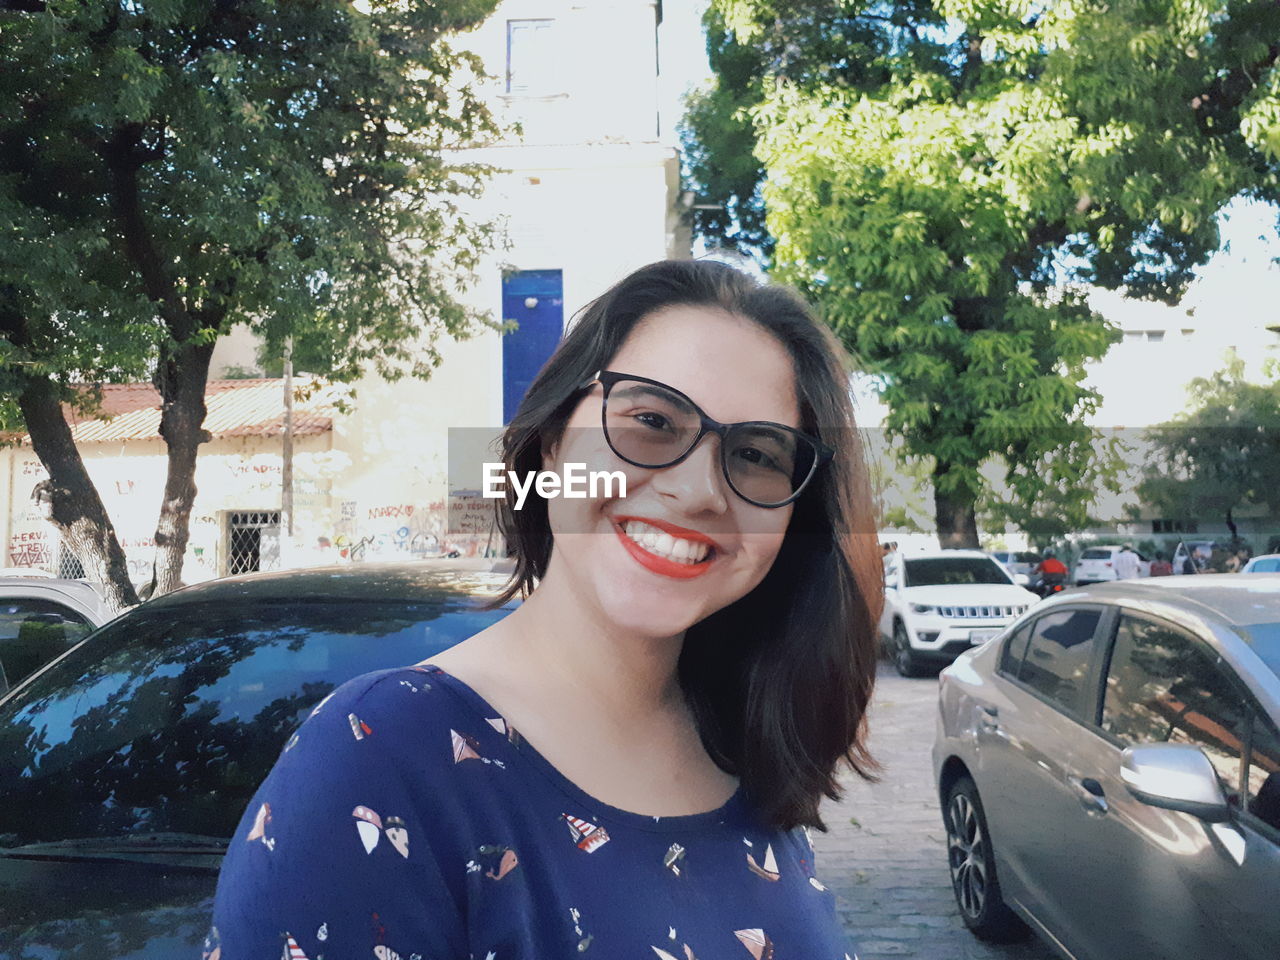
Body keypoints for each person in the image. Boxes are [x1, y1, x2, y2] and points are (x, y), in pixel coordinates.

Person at [206, 260, 880, 960]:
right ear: (553, 441)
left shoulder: (746, 743)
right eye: (651, 420)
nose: (698, 489)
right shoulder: (380, 758)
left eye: (755, 454)